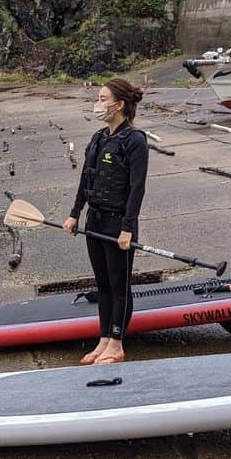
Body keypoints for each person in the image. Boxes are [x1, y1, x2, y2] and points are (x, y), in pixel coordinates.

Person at [63, 80, 148, 365]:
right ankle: (103, 340)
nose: (98, 104)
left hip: (117, 225)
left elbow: (137, 189)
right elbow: (85, 178)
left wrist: (128, 227)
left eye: (102, 98)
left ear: (119, 104)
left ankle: (117, 343)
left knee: (119, 284)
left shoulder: (135, 140)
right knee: (102, 285)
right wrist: (75, 213)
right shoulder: (99, 138)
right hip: (95, 221)